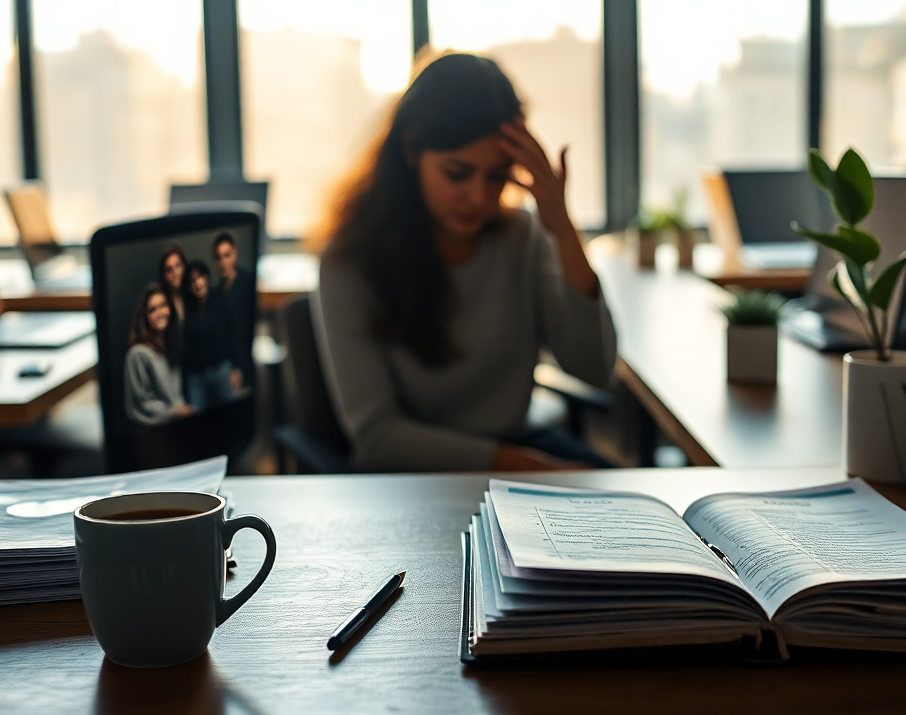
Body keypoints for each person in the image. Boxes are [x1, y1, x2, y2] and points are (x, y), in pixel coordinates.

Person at [314, 53, 617, 473]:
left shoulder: (524, 236)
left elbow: (595, 369)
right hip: (410, 478)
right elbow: (378, 435)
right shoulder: (349, 260)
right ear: (411, 150)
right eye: (457, 173)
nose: (478, 197)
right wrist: (533, 469)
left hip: (514, 450)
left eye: (497, 176)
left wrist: (563, 229)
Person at [124, 284, 191, 426]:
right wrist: (173, 411)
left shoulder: (170, 344)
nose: (160, 313)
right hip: (157, 428)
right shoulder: (138, 354)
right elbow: (140, 403)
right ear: (145, 316)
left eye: (163, 305)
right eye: (153, 309)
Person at [181, 260, 241, 411]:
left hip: (221, 369)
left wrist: (236, 367)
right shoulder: (185, 308)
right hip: (196, 376)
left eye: (200, 277)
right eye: (193, 280)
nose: (198, 283)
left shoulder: (219, 298)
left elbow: (232, 332)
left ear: (206, 277)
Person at [210, 231, 255, 396]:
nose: (223, 262)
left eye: (227, 255)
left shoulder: (248, 283)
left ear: (235, 253)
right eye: (218, 257)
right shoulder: (216, 295)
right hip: (230, 369)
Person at [158, 243, 188, 326]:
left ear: (184, 266)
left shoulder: (194, 295)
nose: (175, 273)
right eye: (169, 270)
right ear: (163, 275)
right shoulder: (162, 303)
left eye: (177, 265)